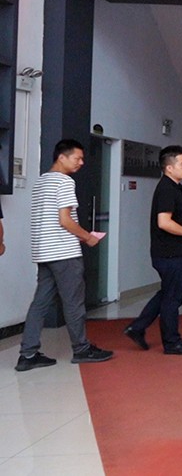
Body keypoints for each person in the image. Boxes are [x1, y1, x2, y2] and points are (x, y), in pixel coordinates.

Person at [16, 139, 113, 371]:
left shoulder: (41, 181)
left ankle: (27, 354)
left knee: (40, 303)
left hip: (44, 252)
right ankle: (82, 349)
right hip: (64, 252)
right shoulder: (64, 181)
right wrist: (87, 237)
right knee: (74, 303)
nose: (81, 163)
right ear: (62, 157)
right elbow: (64, 220)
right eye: (77, 158)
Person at [123, 145, 182, 355]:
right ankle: (172, 342)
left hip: (170, 252)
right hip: (170, 253)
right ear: (169, 168)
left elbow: (171, 218)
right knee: (172, 298)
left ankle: (137, 327)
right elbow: (164, 222)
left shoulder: (173, 187)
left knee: (167, 293)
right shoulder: (167, 189)